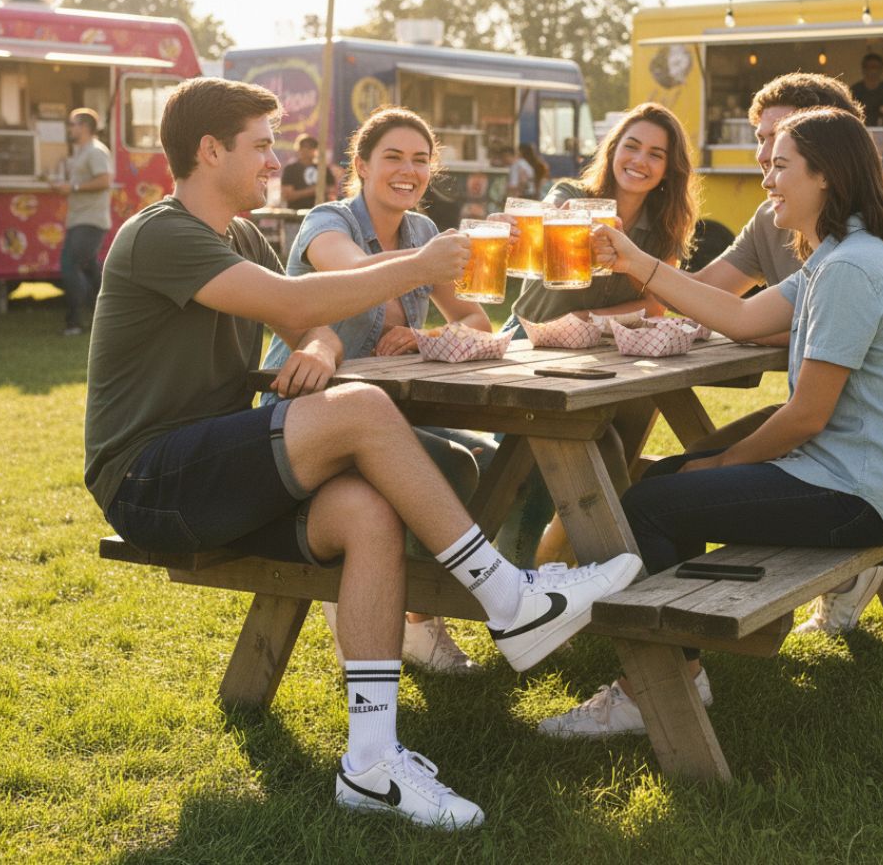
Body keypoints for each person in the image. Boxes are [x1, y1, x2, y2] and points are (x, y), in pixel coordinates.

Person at [83, 77, 640, 829]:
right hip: (150, 479)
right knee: (366, 410)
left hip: (209, 474)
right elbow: (295, 301)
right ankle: (507, 598)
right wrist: (412, 270)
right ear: (209, 151)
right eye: (261, 145)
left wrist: (314, 342)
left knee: (367, 513)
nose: (274, 160)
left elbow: (301, 313)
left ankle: (372, 762)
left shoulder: (239, 237)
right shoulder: (160, 232)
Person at [541, 106, 883, 737]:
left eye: (780, 167)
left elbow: (806, 414)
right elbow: (742, 317)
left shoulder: (849, 268)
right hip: (858, 477)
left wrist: (722, 462)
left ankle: (657, 688)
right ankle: (678, 668)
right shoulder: (841, 253)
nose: (767, 181)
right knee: (664, 481)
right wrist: (636, 263)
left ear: (826, 176)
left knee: (651, 504)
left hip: (861, 492)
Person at [694, 73, 883, 635]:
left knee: (706, 475)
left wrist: (760, 333)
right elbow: (714, 293)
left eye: (782, 137)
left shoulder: (876, 224)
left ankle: (702, 626)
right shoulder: (778, 213)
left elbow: (879, 334)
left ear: (826, 155)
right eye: (762, 135)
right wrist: (624, 301)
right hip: (842, 426)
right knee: (694, 464)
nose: (766, 152)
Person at [262, 106, 498, 675]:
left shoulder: (423, 235)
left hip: (383, 415)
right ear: (362, 166)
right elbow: (348, 276)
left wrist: (423, 337)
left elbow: (477, 321)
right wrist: (425, 265)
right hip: (302, 412)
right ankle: (411, 615)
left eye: (421, 160)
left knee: (495, 460)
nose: (407, 169)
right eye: (392, 156)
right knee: (450, 466)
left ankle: (444, 614)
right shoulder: (328, 222)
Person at [501, 102, 698, 567]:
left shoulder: (662, 228)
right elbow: (551, 216)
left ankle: (569, 564)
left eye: (655, 154)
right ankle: (527, 572)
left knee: (612, 440)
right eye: (631, 146)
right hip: (531, 343)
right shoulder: (570, 193)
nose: (639, 161)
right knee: (531, 461)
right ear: (612, 151)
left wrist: (595, 319)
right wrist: (564, 220)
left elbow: (653, 303)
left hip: (601, 357)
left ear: (669, 169)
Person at [52, 108, 113, 336]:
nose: (70, 128)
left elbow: (105, 180)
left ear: (85, 127)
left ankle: (75, 322)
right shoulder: (83, 151)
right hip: (81, 219)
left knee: (70, 265)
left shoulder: (96, 152)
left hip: (91, 221)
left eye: (73, 124)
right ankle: (104, 316)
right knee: (90, 269)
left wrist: (74, 187)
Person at [851, 52, 883, 127]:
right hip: (859, 128)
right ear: (864, 69)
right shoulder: (855, 90)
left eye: (876, 67)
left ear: (881, 69)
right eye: (870, 67)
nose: (873, 70)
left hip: (882, 130)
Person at [280, 134, 329, 210]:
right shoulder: (290, 169)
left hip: (319, 214)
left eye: (311, 147)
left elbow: (331, 190)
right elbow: (287, 196)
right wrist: (313, 190)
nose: (307, 150)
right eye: (304, 146)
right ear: (298, 148)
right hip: (295, 216)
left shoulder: (323, 168)